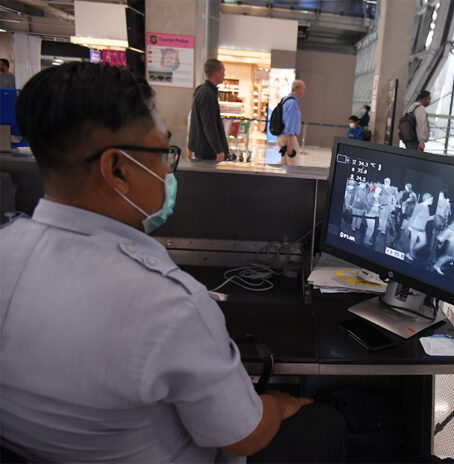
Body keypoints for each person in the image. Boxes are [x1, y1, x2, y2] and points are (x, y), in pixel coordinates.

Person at [0, 62, 346, 462]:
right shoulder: (170, 305)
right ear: (117, 169)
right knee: (322, 425)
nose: (168, 168)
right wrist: (281, 403)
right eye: (163, 151)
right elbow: (243, 438)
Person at [188, 59, 232, 161]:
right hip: (206, 150)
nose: (224, 75)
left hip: (204, 147)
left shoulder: (205, 91)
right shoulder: (207, 95)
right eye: (223, 72)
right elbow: (209, 124)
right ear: (216, 73)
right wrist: (218, 150)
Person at [278, 80, 306, 160]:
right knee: (292, 165)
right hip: (289, 138)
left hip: (282, 136)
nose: (304, 92)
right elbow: (290, 122)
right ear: (297, 90)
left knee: (284, 162)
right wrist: (290, 143)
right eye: (303, 89)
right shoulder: (293, 103)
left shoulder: (285, 99)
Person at [407, 192, 435, 260]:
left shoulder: (426, 208)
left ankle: (412, 252)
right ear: (427, 199)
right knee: (413, 242)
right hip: (415, 227)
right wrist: (409, 226)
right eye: (431, 200)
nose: (432, 201)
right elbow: (413, 216)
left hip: (422, 228)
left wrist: (433, 217)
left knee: (423, 242)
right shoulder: (419, 206)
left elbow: (426, 218)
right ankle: (409, 254)